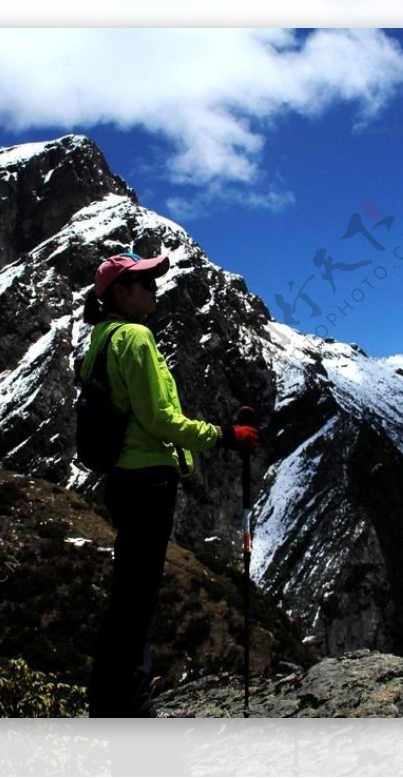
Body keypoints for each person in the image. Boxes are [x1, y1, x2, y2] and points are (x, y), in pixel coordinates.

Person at [79, 251, 259, 717]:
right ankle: (132, 709)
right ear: (119, 290)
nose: (154, 289)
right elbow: (160, 420)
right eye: (144, 282)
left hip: (123, 477)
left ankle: (109, 699)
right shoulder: (136, 338)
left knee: (128, 592)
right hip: (149, 480)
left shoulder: (101, 338)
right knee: (138, 596)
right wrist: (222, 436)